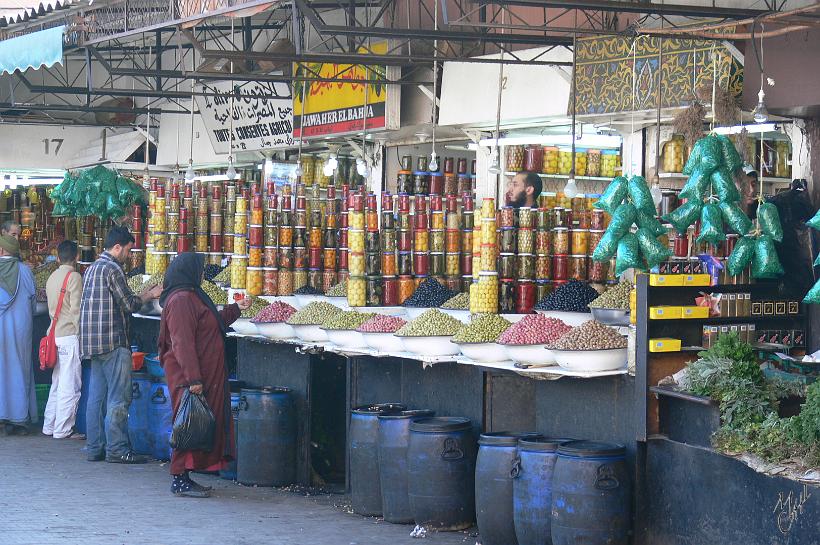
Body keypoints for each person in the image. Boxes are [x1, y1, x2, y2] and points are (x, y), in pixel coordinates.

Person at [157, 252, 251, 497]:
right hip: (190, 376)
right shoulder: (180, 301)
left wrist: (235, 310)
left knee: (196, 424)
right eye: (199, 270)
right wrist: (194, 379)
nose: (201, 275)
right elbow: (182, 342)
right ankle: (179, 477)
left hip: (205, 374)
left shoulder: (193, 296)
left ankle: (185, 475)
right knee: (186, 424)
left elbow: (210, 323)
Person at [80, 226, 161, 463]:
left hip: (92, 342)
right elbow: (129, 304)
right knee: (118, 397)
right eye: (127, 250)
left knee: (96, 397)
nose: (129, 255)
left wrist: (142, 293)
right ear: (117, 247)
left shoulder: (92, 268)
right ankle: (117, 449)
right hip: (113, 341)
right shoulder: (112, 269)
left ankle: (95, 447)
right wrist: (150, 294)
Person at [42, 240, 84, 439]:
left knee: (57, 383)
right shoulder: (74, 277)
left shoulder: (52, 277)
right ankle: (63, 429)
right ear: (76, 257)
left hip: (54, 334)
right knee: (70, 385)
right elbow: (76, 311)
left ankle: (49, 426)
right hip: (68, 335)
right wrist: (81, 334)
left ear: (58, 257)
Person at [0, 235, 37, 435]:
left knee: (2, 371)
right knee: (21, 370)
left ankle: (3, 416)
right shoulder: (25, 271)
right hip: (22, 328)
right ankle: (20, 419)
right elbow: (32, 301)